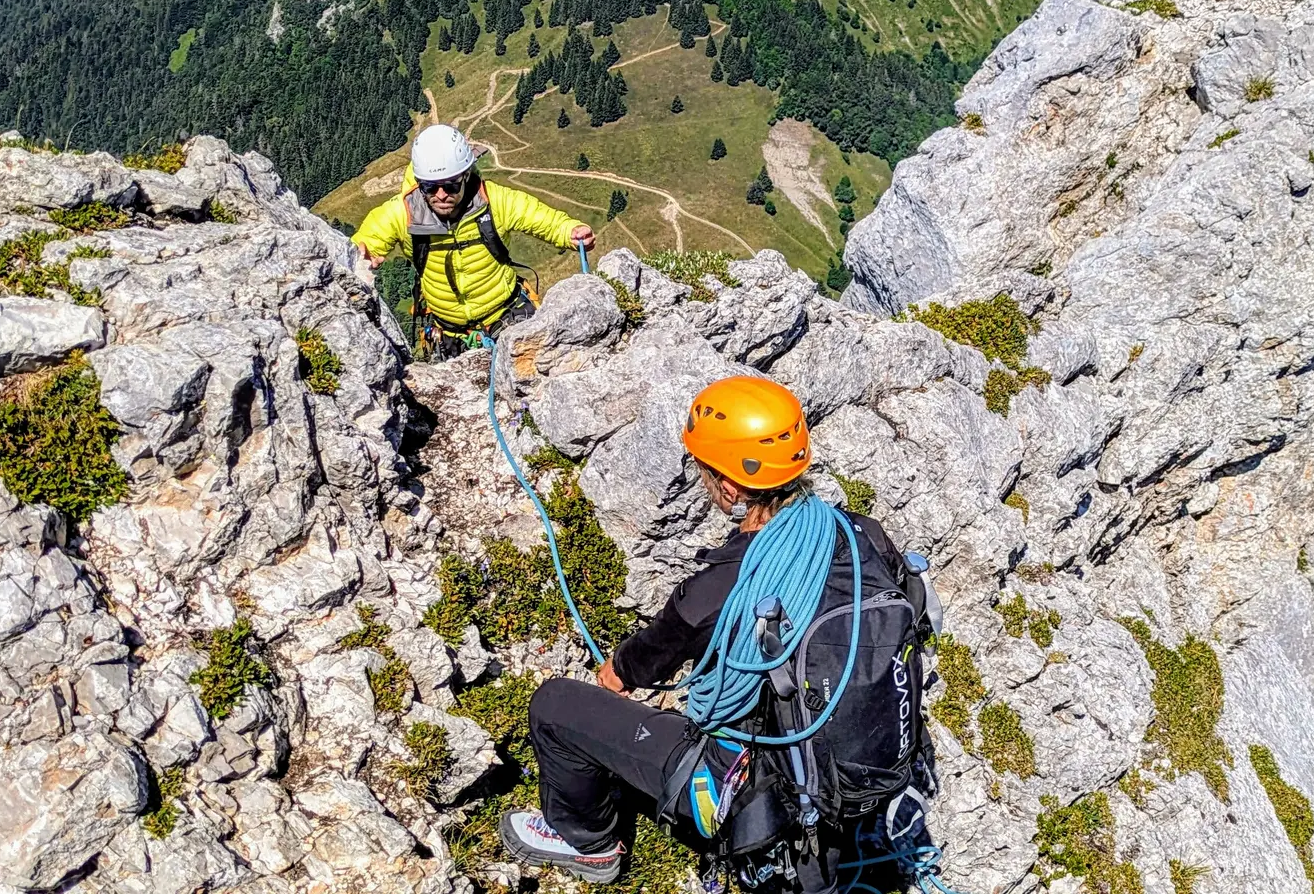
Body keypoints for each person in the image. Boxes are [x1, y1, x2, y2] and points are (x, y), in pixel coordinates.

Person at [499, 377, 932, 892]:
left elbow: (636, 666)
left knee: (554, 708)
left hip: (749, 789)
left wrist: (610, 679)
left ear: (729, 487)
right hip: (853, 774)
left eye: (703, 469)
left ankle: (587, 843)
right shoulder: (860, 533)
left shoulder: (719, 589)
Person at [353, 124, 593, 361]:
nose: (441, 195)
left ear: (466, 176)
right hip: (449, 333)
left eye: (451, 185)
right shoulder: (402, 212)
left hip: (506, 316)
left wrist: (570, 232)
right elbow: (364, 242)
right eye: (429, 187)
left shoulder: (493, 201)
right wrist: (361, 255)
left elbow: (540, 218)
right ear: (418, 182)